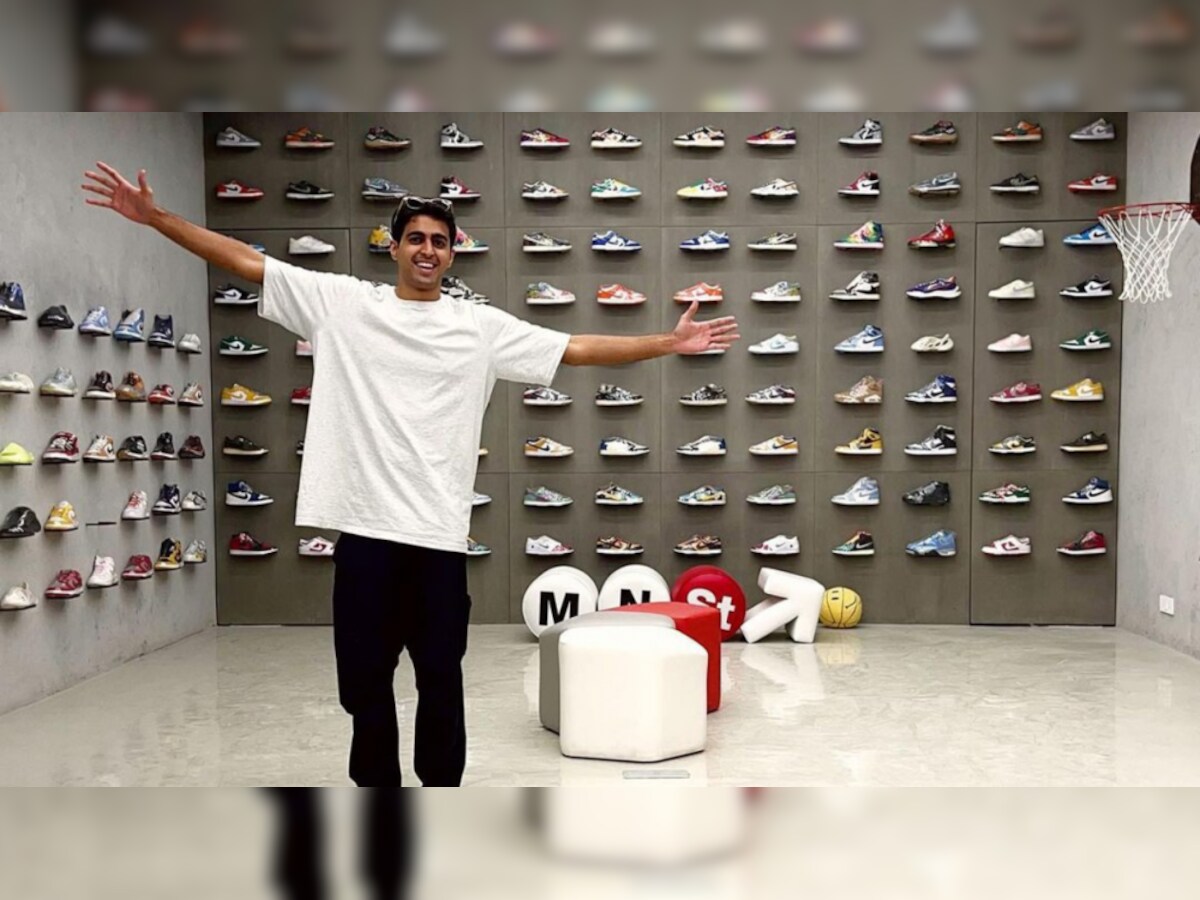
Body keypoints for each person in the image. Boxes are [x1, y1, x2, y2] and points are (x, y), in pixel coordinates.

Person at [82, 162, 741, 786]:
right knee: (364, 690)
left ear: (453, 255)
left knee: (440, 685)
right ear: (393, 247)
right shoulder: (342, 304)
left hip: (437, 540)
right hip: (365, 537)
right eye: (416, 238)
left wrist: (669, 342)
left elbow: (576, 348)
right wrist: (156, 217)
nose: (428, 250)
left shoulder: (478, 326)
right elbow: (247, 262)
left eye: (440, 241)